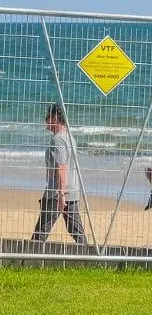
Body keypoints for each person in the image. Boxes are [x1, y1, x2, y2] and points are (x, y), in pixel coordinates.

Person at [31, 103, 87, 245]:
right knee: (76, 231)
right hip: (71, 191)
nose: (45, 120)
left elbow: (61, 167)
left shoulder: (58, 140)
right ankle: (89, 257)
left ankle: (29, 259)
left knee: (41, 232)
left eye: (48, 117)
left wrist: (60, 194)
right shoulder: (69, 137)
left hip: (57, 194)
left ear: (55, 118)